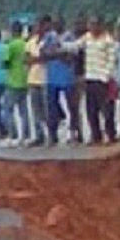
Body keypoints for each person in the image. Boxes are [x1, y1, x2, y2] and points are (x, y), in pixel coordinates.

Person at [73, 16, 117, 145]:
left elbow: (112, 60)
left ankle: (110, 135)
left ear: (100, 25)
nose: (91, 27)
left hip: (102, 79)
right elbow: (75, 46)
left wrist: (106, 76)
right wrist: (59, 46)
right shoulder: (87, 37)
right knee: (91, 110)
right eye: (90, 24)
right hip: (90, 78)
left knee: (107, 109)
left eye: (94, 24)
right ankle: (95, 135)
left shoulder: (108, 40)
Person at [40, 16, 76, 146]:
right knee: (51, 108)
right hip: (51, 77)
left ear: (63, 24)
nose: (55, 26)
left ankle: (73, 133)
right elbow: (42, 54)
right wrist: (59, 54)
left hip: (67, 77)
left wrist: (54, 54)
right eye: (54, 24)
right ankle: (52, 135)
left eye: (58, 24)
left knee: (72, 106)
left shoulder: (69, 37)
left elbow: (71, 56)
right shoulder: (49, 36)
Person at [1, 20, 31, 148]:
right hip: (25, 80)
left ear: (12, 30)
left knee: (8, 110)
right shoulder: (26, 44)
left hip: (13, 81)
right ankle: (26, 137)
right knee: (23, 111)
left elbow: (5, 63)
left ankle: (12, 136)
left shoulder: (10, 45)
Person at [25, 19, 48, 146]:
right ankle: (39, 135)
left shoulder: (48, 41)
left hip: (45, 79)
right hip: (33, 79)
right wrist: (38, 59)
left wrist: (35, 59)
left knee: (47, 110)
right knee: (36, 110)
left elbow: (47, 58)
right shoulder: (30, 43)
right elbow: (26, 59)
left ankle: (50, 134)